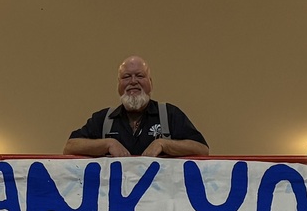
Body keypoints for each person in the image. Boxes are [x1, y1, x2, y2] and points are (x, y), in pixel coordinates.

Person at [63, 55, 209, 157]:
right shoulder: (103, 119)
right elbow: (70, 147)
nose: (133, 81)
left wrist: (163, 144)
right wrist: (108, 144)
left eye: (139, 76)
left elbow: (202, 149)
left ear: (150, 83)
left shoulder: (169, 114)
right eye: (126, 77)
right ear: (118, 85)